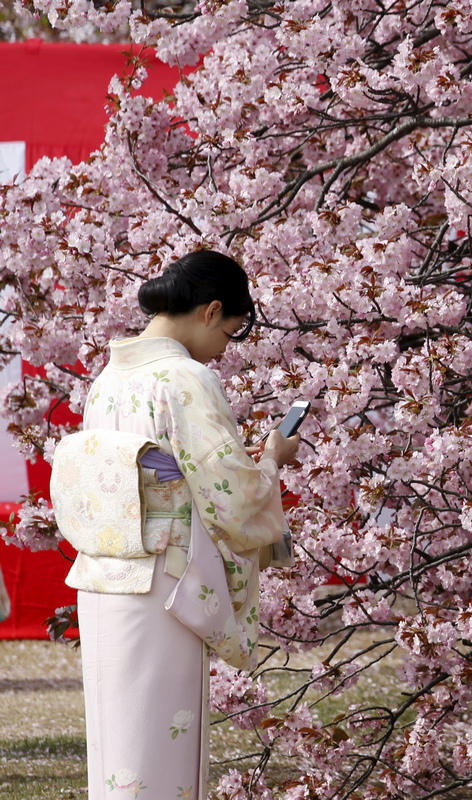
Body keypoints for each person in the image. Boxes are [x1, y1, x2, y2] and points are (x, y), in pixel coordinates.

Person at [53, 250, 299, 800]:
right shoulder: (185, 378)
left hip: (103, 576)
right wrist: (273, 459)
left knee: (120, 746)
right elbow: (230, 493)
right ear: (211, 312)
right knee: (159, 745)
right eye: (232, 332)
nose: (226, 346)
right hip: (162, 580)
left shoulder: (107, 380)